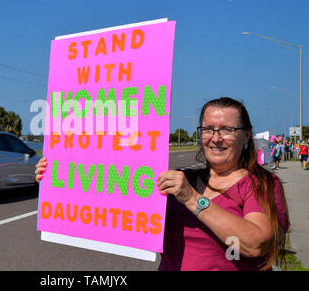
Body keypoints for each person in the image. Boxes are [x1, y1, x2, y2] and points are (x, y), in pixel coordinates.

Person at [35, 97, 289, 271]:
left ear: (246, 135)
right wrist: (58, 177)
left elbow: (255, 244)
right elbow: (108, 199)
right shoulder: (179, 179)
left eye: (226, 130)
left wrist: (192, 199)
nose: (215, 138)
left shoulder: (260, 184)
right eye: (208, 129)